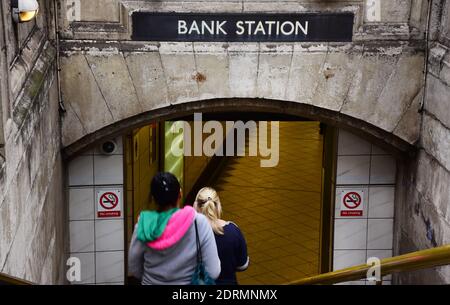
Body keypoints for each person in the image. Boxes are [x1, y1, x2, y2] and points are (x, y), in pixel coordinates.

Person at [128, 173, 221, 285]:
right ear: (180, 194)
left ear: (152, 198)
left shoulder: (143, 225)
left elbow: (134, 268)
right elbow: (213, 271)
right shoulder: (198, 222)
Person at [194, 187, 249, 285]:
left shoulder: (189, 233)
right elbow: (242, 265)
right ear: (218, 206)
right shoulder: (233, 230)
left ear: (196, 206)